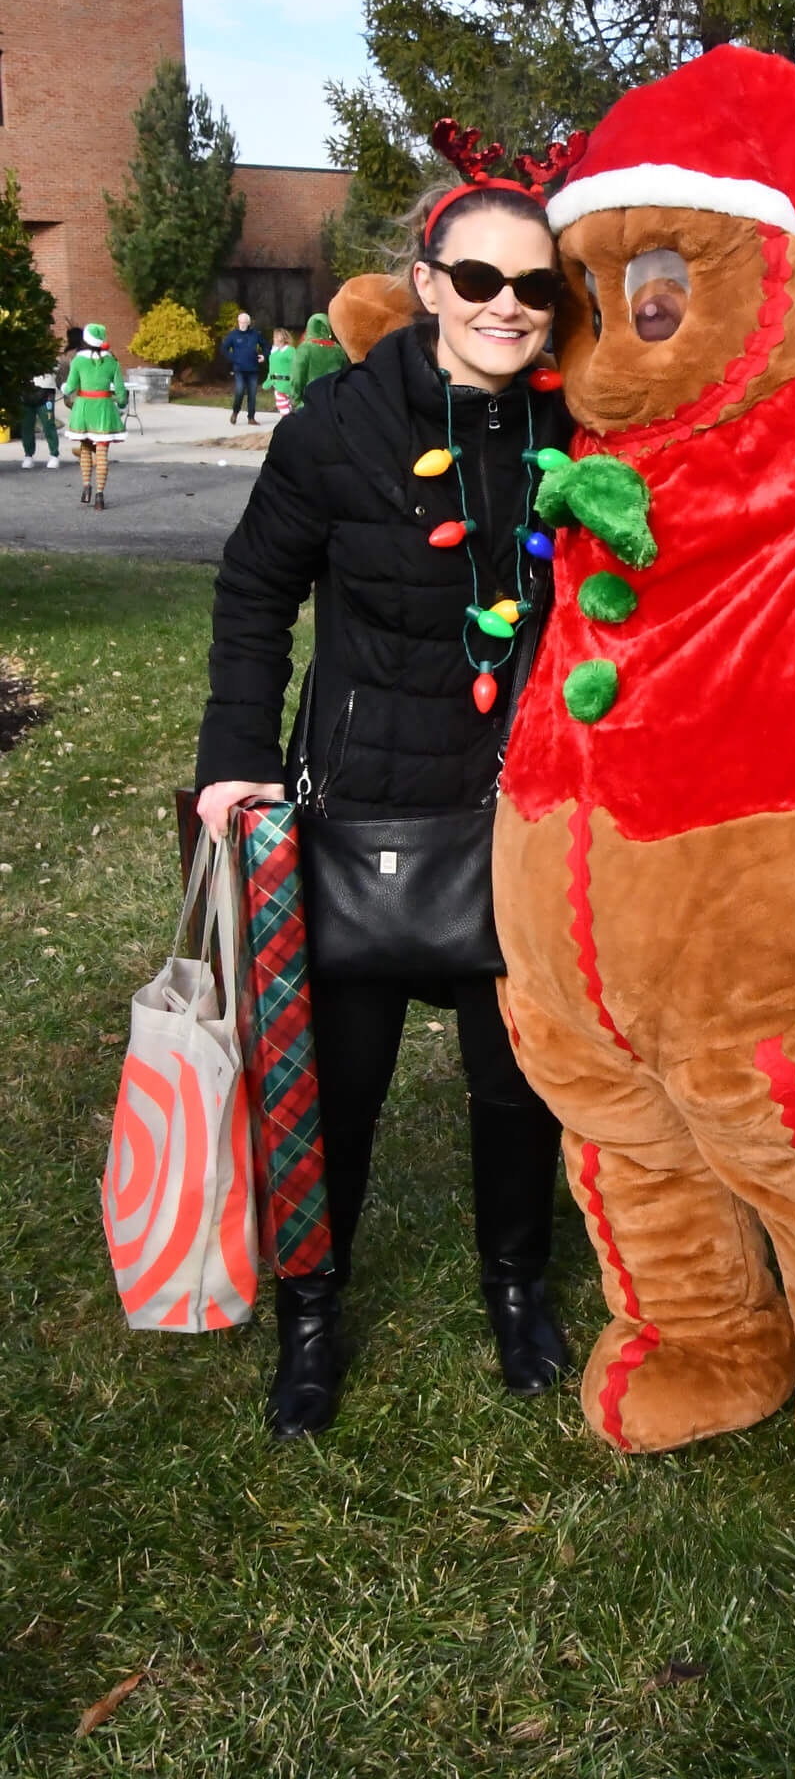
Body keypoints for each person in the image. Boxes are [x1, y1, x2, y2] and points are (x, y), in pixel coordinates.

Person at [194, 168, 572, 1441]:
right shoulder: (336, 430)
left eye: (534, 285)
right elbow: (255, 594)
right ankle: (311, 1312)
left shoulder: (576, 432)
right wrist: (231, 757)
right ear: (428, 284)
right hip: (358, 814)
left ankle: (519, 1287)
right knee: (330, 1090)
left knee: (518, 1081)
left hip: (517, 818)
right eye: (480, 280)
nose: (507, 307)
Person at [62, 323, 127, 510]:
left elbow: (70, 386)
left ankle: (85, 486)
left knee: (84, 448)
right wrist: (121, 404)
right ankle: (99, 495)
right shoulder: (112, 362)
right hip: (104, 409)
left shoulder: (78, 361)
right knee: (102, 453)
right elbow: (121, 393)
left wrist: (63, 388)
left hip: (83, 408)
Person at [287, 310, 348, 408]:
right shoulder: (338, 349)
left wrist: (295, 398)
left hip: (310, 403)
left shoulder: (305, 348)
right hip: (333, 401)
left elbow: (297, 376)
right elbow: (346, 374)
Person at [220, 311, 271, 427]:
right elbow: (224, 349)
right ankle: (235, 412)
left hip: (253, 369)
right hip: (239, 369)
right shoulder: (233, 335)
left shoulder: (255, 334)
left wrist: (264, 355)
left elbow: (266, 345)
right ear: (238, 322)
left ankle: (251, 418)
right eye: (240, 322)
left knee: (252, 394)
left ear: (248, 323)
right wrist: (233, 357)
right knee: (239, 391)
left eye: (244, 322)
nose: (242, 324)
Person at [18, 371, 61, 470]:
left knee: (48, 424)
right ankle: (28, 455)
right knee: (26, 425)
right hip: (25, 387)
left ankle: (54, 455)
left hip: (46, 389)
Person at [264, 328, 296, 415]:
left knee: (282, 404)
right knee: (284, 404)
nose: (273, 339)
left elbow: (296, 364)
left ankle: (287, 422)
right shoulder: (275, 352)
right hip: (278, 382)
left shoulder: (289, 351)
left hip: (285, 382)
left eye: (275, 337)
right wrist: (269, 381)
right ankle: (290, 420)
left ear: (280, 338)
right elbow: (272, 369)